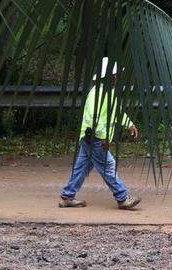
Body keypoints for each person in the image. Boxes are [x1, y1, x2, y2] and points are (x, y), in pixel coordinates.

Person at [59, 57, 142, 210]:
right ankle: (123, 198)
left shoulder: (107, 93)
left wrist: (129, 124)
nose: (118, 77)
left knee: (82, 167)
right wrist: (103, 137)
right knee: (108, 166)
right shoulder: (98, 93)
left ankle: (67, 196)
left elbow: (116, 113)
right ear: (109, 76)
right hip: (95, 138)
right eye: (116, 74)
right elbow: (94, 118)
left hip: (90, 138)